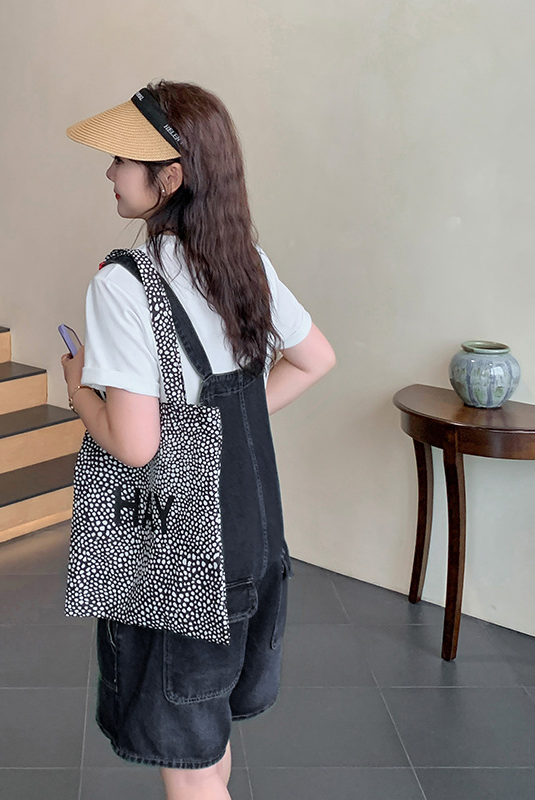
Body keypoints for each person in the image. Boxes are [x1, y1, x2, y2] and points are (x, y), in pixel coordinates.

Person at [61, 81, 335, 800]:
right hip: (254, 536)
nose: (110, 172)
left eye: (123, 159)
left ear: (170, 177)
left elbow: (136, 447)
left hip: (180, 550)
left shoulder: (123, 286)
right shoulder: (244, 261)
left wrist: (78, 391)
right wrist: (224, 426)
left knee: (185, 760)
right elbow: (315, 359)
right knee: (208, 736)